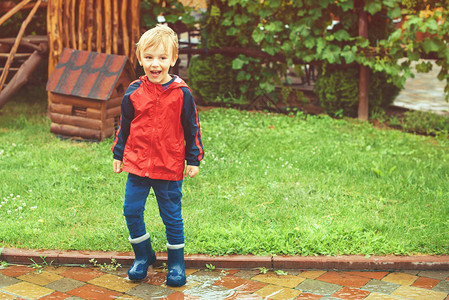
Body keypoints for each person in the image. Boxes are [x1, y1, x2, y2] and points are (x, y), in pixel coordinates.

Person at [112, 24, 204, 286]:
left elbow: (192, 128)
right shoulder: (133, 91)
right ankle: (143, 256)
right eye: (149, 57)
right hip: (138, 166)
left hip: (169, 167)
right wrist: (119, 154)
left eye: (162, 58)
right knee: (131, 211)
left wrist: (194, 159)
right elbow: (124, 126)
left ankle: (176, 263)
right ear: (140, 59)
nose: (155, 64)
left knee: (171, 216)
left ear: (173, 60)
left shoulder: (181, 94)